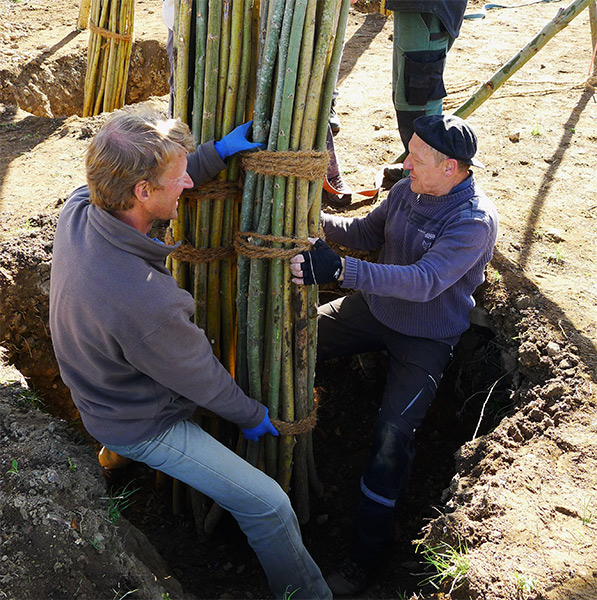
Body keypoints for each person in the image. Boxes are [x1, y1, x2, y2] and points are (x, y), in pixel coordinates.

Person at [49, 106, 332, 600]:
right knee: (268, 505)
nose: (187, 184)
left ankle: (110, 464)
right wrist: (249, 414)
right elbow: (199, 377)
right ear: (141, 191)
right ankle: (309, 594)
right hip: (140, 423)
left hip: (94, 386)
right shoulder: (143, 300)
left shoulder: (80, 208)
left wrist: (213, 156)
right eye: (178, 178)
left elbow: (160, 182)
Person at [290, 114, 498, 595]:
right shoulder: (410, 190)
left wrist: (342, 270)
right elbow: (365, 233)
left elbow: (424, 282)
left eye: (417, 158)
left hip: (425, 337)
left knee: (391, 438)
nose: (405, 163)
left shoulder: (473, 222)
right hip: (373, 310)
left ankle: (366, 557)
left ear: (452, 168)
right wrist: (306, 219)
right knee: (299, 342)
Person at [381, 0, 468, 187]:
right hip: (414, 7)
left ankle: (423, 183)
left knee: (418, 99)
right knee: (404, 94)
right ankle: (413, 168)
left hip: (427, 7)